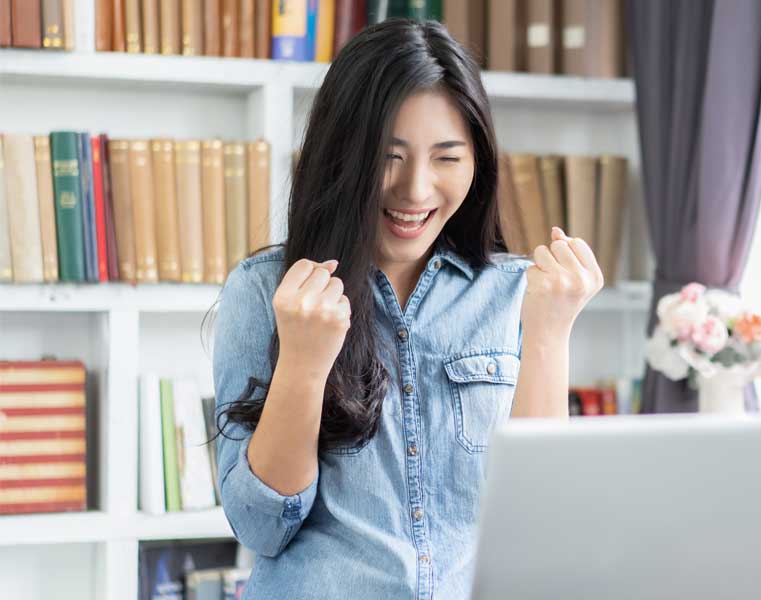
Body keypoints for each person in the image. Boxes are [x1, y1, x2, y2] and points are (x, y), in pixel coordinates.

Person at [211, 18, 602, 599]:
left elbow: (537, 530)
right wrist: (303, 361)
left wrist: (547, 337)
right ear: (342, 154)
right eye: (389, 156)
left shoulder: (520, 294)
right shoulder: (267, 290)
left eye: (447, 157)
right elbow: (262, 527)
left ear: (479, 162)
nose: (416, 190)